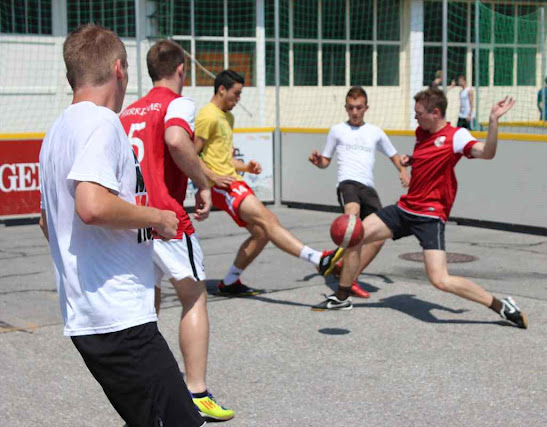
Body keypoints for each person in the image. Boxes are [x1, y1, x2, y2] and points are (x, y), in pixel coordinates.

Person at [38, 24, 205, 426]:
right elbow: (92, 206)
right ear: (119, 70)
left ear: (69, 77)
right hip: (118, 318)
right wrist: (157, 217)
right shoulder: (102, 122)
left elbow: (47, 220)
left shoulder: (55, 132)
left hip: (86, 316)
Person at [311, 88, 528, 330]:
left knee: (440, 280)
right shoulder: (422, 132)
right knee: (355, 234)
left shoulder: (456, 136)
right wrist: (410, 160)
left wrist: (493, 122)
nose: (415, 118)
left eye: (419, 113)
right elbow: (429, 156)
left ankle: (501, 306)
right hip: (405, 208)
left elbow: (487, 153)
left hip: (429, 216)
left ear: (435, 113)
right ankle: (341, 297)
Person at [120, 39, 234, 421]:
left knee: (145, 303)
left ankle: (151, 386)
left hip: (133, 219)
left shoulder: (128, 112)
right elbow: (174, 139)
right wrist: (202, 181)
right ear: (181, 69)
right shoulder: (177, 103)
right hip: (166, 217)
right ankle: (197, 391)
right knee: (193, 297)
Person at [195, 69, 342, 296]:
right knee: (269, 219)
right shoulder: (208, 115)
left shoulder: (228, 117)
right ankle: (318, 259)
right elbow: (191, 155)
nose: (239, 99)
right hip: (222, 186)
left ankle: (230, 282)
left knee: (262, 233)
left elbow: (222, 157)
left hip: (232, 180)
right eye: (236, 93)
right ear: (221, 89)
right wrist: (213, 178)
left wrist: (245, 167)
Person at [308, 86, 410, 298]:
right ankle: (335, 264)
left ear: (366, 108)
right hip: (348, 184)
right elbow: (326, 161)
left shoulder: (375, 132)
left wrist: (403, 171)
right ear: (346, 107)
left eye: (359, 108)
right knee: (352, 221)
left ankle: (349, 276)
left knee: (380, 236)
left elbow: (394, 155)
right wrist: (319, 162)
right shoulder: (337, 130)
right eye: (351, 108)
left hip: (368, 189)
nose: (355, 112)